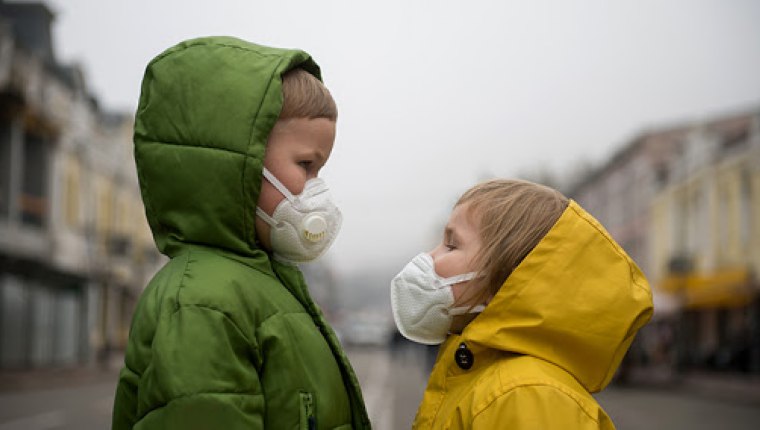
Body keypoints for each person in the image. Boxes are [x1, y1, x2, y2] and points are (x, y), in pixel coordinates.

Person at [112, 36, 370, 430]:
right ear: (240, 161)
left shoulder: (263, 282)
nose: (316, 188)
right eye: (305, 165)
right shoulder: (203, 303)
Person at [391, 179, 653, 429]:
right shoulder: (493, 376)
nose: (429, 257)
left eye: (451, 244)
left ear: (506, 277)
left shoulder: (524, 396)